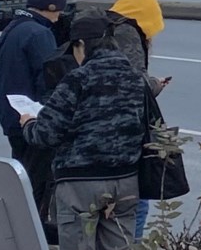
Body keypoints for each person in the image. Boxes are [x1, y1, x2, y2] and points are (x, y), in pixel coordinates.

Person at [20, 14, 146, 250]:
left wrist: (28, 123)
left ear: (81, 45)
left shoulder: (78, 79)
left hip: (81, 184)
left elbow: (46, 134)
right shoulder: (136, 78)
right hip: (126, 180)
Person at [0, 0, 66, 231]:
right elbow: (50, 79)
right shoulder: (39, 34)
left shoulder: (13, 28)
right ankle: (31, 236)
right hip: (32, 120)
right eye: (58, 12)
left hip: (11, 118)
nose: (59, 18)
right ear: (50, 7)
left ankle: (15, 233)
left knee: (20, 183)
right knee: (36, 188)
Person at [106, 0, 170, 238]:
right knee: (137, 202)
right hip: (123, 134)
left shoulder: (103, 29)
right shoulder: (127, 33)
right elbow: (134, 84)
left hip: (99, 136)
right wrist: (155, 84)